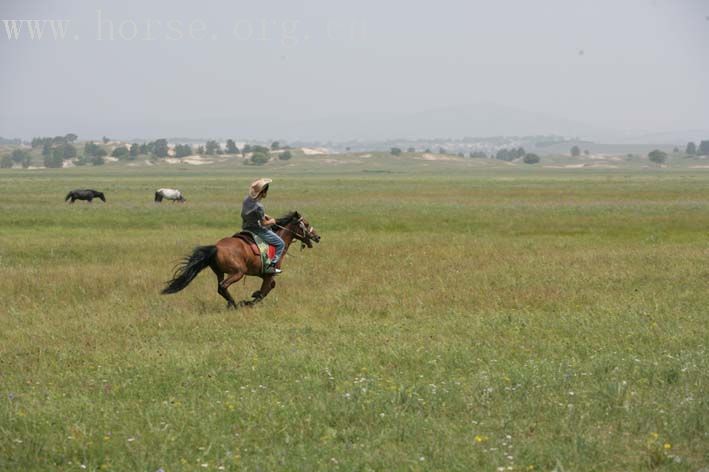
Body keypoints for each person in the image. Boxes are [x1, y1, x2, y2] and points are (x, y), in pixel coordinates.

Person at [241, 178, 285, 275]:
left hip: (245, 227)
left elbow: (249, 212)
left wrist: (264, 215)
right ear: (263, 192)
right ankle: (271, 266)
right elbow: (263, 224)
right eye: (266, 191)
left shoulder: (246, 199)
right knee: (280, 243)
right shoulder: (259, 206)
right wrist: (272, 221)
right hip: (257, 230)